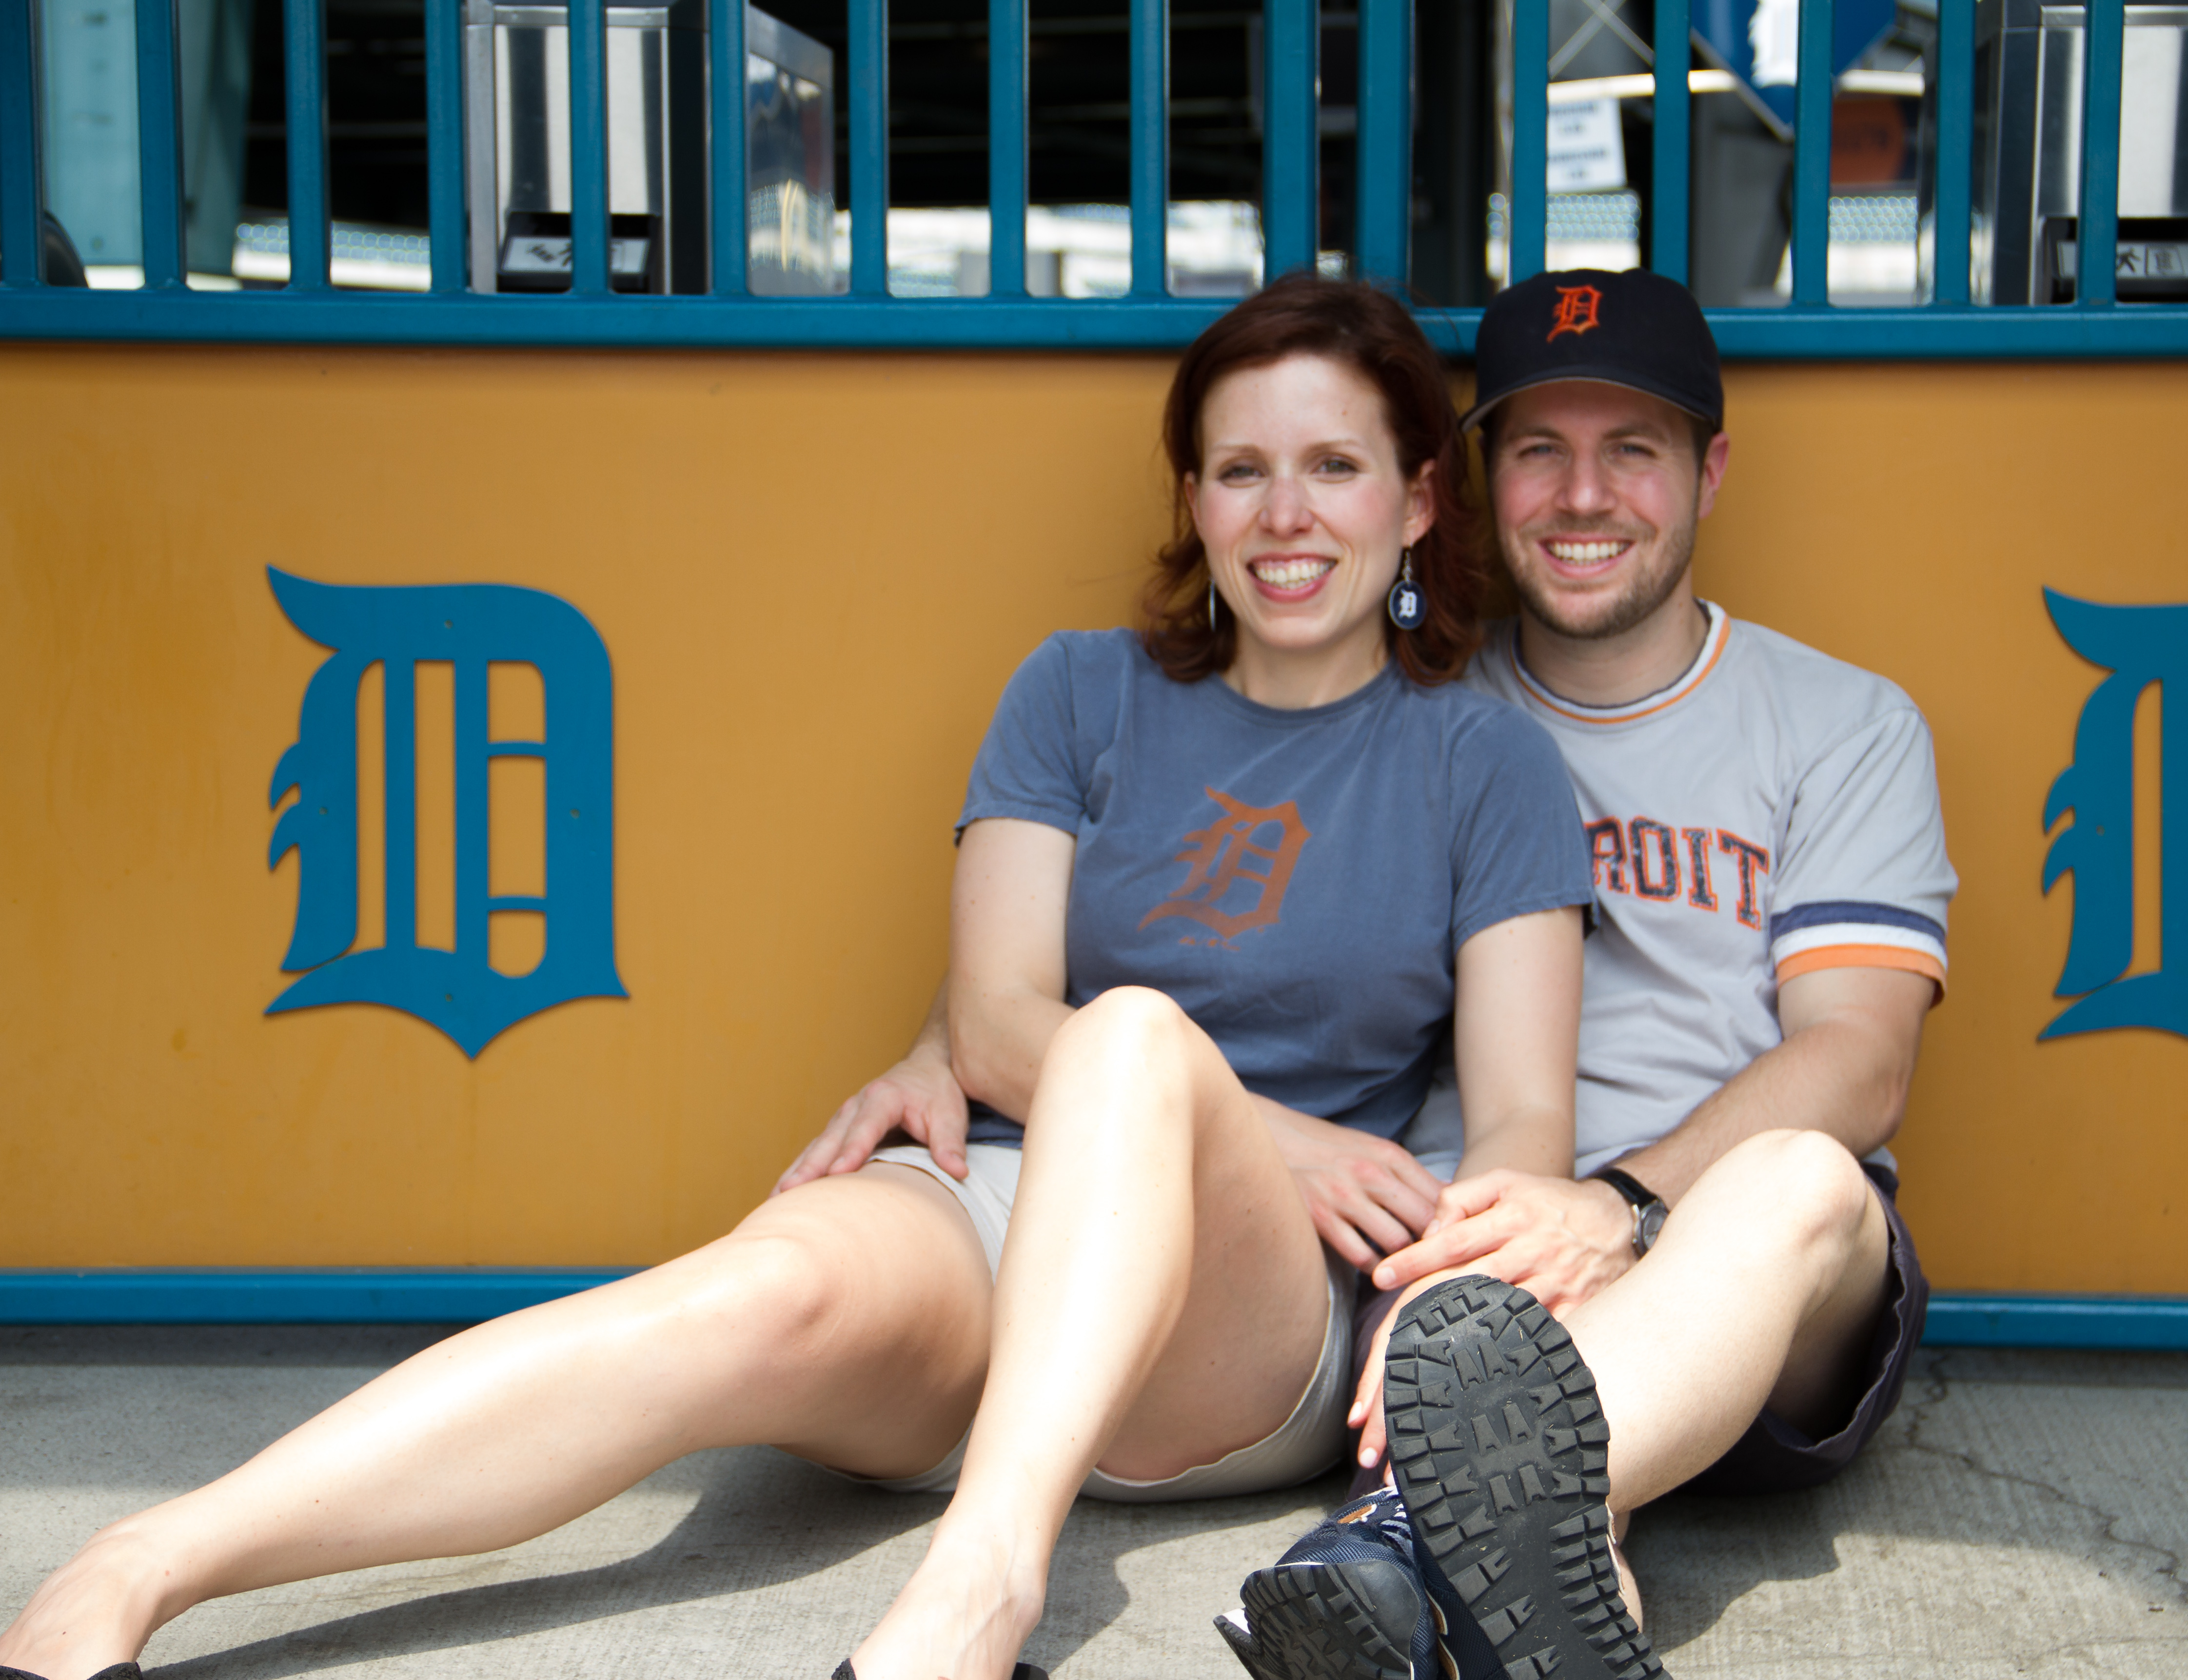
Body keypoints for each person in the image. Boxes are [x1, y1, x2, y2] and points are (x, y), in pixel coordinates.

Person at [0, 275, 1597, 1680]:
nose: (1285, 514)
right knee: (744, 1296)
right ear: (1194, 497)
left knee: (1128, 1039)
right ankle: (138, 1563)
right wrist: (1279, 1129)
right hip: (1001, 1212)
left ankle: (980, 1584)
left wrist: (1414, 1273)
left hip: (1245, 1317)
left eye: (1333, 468)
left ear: (1415, 504)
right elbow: (993, 1023)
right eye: (1241, 470)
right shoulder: (1080, 692)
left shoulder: (1484, 763)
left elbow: (1525, 1121)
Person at [1205, 266, 1960, 1680]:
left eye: (1635, 450)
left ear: (1710, 472)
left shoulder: (1842, 723)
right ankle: (1471, 1578)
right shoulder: (1411, 712)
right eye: (1539, 449)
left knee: (1801, 1180)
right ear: (1478, 481)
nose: (1583, 494)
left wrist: (1619, 1206)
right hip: (1472, 1252)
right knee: (1507, 1439)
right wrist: (962, 1035)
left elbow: (1860, 1061)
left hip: (1750, 1258)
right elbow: (1174, 906)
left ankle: (1404, 1534)